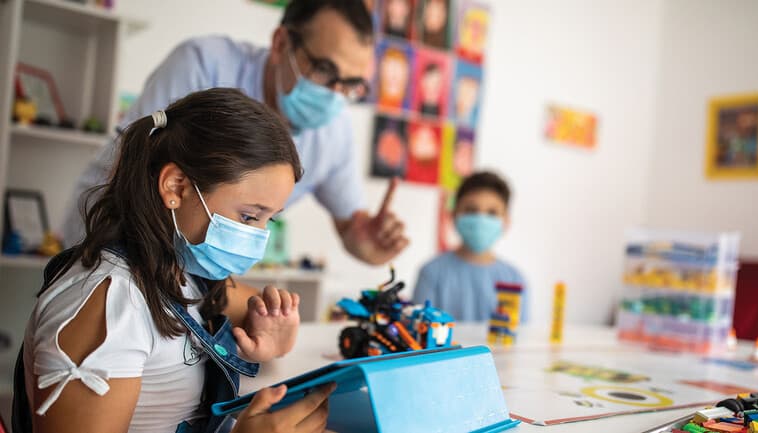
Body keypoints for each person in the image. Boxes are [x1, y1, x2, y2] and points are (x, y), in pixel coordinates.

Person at [15, 88, 333, 433]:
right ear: (176, 187)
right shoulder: (109, 305)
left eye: (268, 219)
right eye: (248, 217)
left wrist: (278, 332)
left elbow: (252, 305)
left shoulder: (180, 270)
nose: (258, 236)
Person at [62, 0, 408, 266]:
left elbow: (351, 227)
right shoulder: (204, 64)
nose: (334, 93)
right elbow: (136, 174)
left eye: (350, 84)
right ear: (280, 42)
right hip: (111, 238)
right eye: (323, 70)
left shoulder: (334, 133)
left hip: (195, 269)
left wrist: (366, 241)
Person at [412, 171, 529, 322]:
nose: (481, 219)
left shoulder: (515, 280)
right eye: (471, 210)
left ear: (506, 221)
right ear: (454, 215)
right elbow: (420, 334)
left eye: (492, 212)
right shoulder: (431, 273)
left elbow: (520, 338)